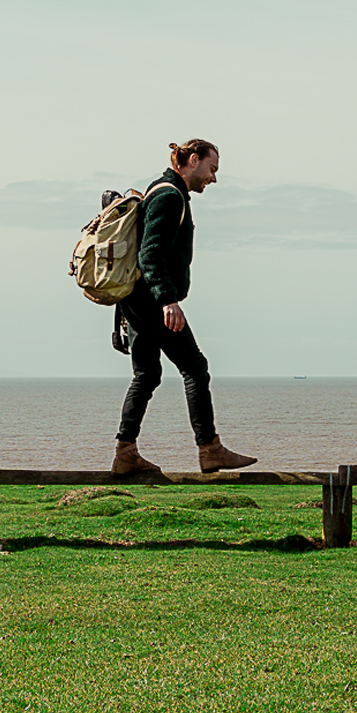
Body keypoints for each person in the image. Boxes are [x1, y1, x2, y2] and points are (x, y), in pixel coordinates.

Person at [111, 139, 258, 475]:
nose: (214, 178)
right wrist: (168, 300)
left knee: (146, 375)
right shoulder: (169, 196)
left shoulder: (158, 190)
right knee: (195, 367)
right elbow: (149, 254)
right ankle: (210, 449)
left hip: (135, 299)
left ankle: (125, 452)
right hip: (152, 300)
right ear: (193, 160)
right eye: (212, 169)